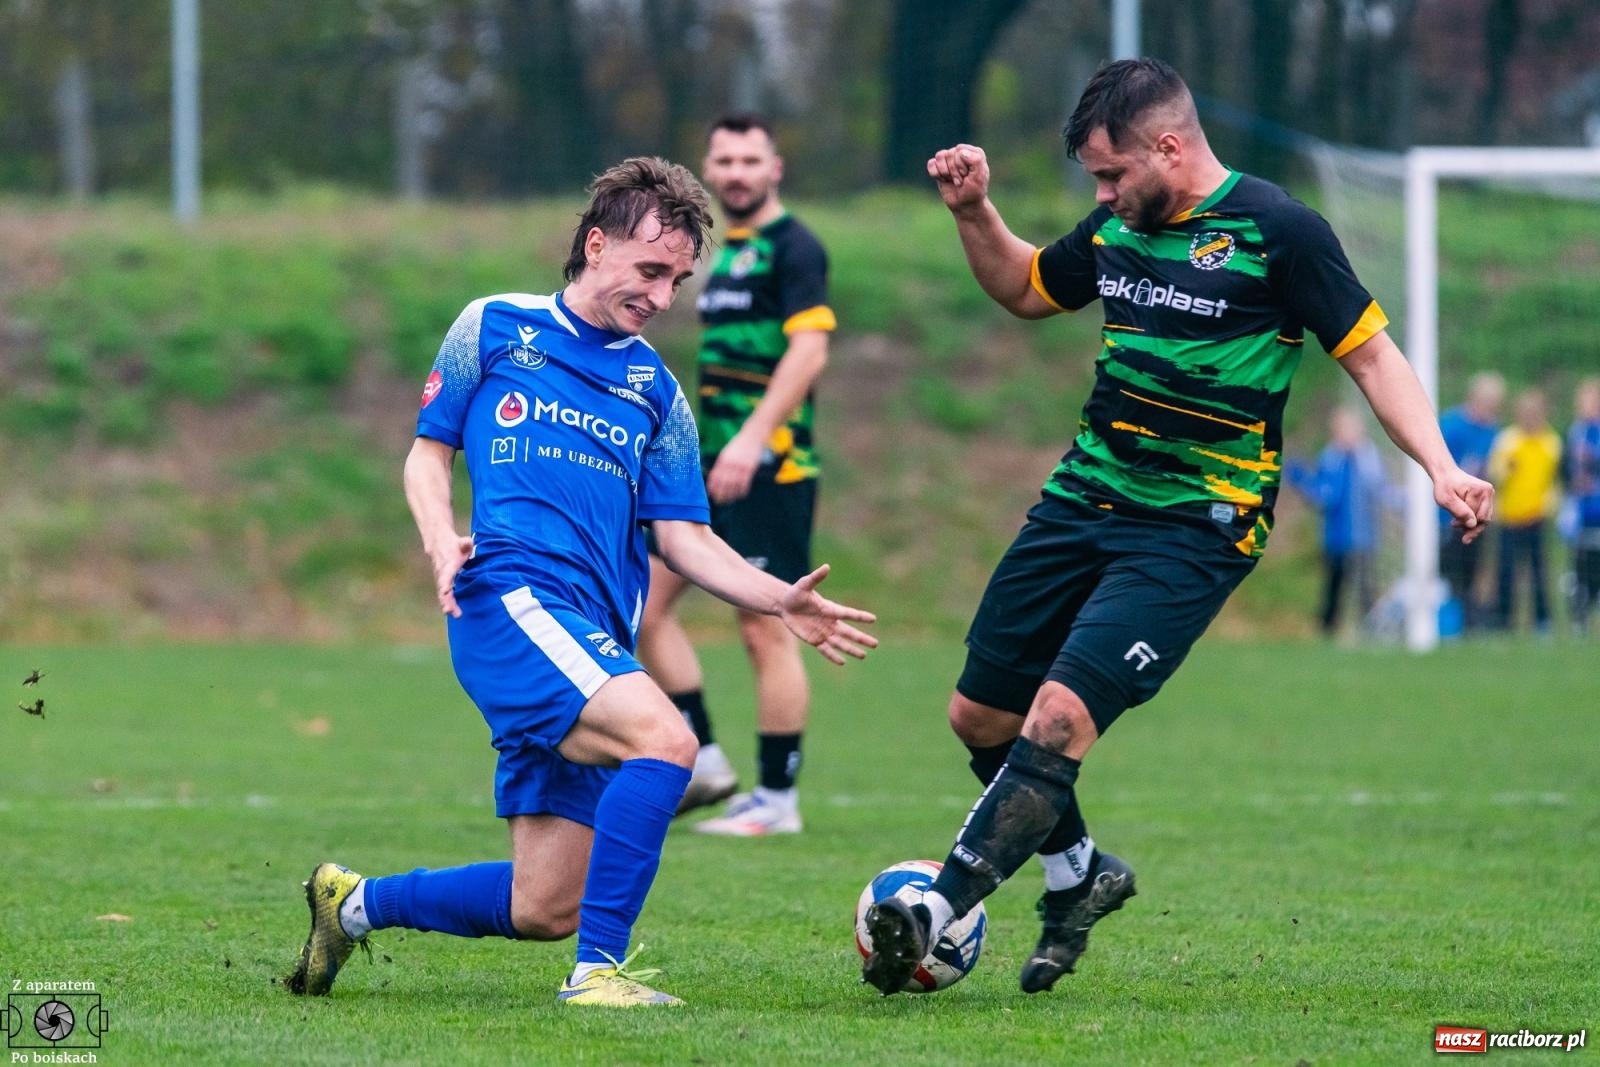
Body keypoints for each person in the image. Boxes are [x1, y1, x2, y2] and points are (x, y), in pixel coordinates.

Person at [859, 58, 1494, 998]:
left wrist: (1440, 465)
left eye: (1112, 174)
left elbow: (1371, 355)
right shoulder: (1122, 224)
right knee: (980, 716)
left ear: (1170, 145)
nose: (1103, 195)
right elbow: (1028, 290)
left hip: (1197, 525)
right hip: (1084, 498)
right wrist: (972, 213)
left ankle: (933, 911)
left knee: (1059, 714)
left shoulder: (1281, 231)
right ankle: (1081, 875)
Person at [285, 157, 875, 1009]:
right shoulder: (493, 326)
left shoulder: (658, 393)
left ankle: (354, 903)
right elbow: (426, 454)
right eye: (649, 269)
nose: (663, 296)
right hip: (511, 599)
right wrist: (438, 538)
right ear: (596, 245)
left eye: (677, 278)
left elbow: (684, 537)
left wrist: (772, 594)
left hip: (592, 633)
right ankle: (599, 974)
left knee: (544, 902)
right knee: (668, 741)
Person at [637, 115, 837, 836]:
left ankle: (777, 800)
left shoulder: (795, 248)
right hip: (705, 468)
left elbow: (808, 353)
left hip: (771, 466)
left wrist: (752, 442)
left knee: (765, 625)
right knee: (645, 607)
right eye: (725, 159)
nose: (738, 171)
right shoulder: (724, 254)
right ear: (710, 170)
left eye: (751, 158)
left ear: (775, 167)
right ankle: (707, 762)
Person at [1287, 407, 1387, 635]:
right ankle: (1328, 629)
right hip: (1337, 537)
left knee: (1366, 587)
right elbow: (1324, 496)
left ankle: (1371, 629)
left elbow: (1381, 490)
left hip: (1365, 538)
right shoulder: (1331, 459)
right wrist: (1302, 482)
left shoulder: (1368, 458)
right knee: (1334, 585)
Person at [1489, 389, 1561, 632]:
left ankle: (1543, 621)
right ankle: (1502, 621)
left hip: (1537, 517)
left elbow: (1555, 478)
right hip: (1509, 517)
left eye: (1535, 414)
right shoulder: (1508, 441)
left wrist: (1552, 502)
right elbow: (1494, 474)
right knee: (1506, 571)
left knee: (1539, 571)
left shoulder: (1551, 443)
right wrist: (1507, 469)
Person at [1437, 372, 1505, 629]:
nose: (1491, 409)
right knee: (1448, 571)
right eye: (1488, 403)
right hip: (1448, 515)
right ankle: (1446, 624)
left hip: (1478, 515)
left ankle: (1465, 625)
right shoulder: (1451, 425)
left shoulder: (1494, 431)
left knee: (1472, 572)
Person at [1564, 378, 1600, 632]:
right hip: (1582, 514)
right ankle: (1580, 620)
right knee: (1580, 569)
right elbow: (1567, 469)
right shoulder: (1576, 431)